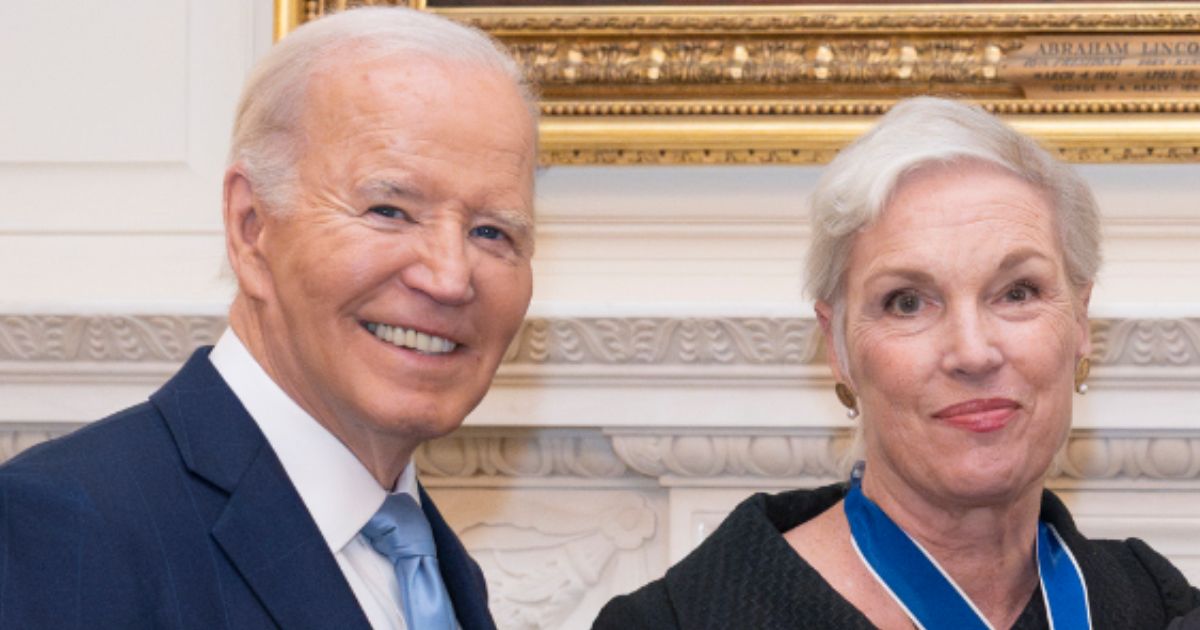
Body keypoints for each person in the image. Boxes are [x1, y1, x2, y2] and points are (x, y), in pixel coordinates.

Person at [0, 7, 536, 629]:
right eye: (389, 211)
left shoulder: (437, 571)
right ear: (250, 228)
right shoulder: (60, 530)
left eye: (491, 231)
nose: (449, 278)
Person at [593, 97, 1200, 629]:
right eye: (907, 302)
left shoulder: (1152, 604)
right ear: (838, 348)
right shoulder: (681, 620)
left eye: (1017, 292)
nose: (973, 352)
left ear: (1080, 324)